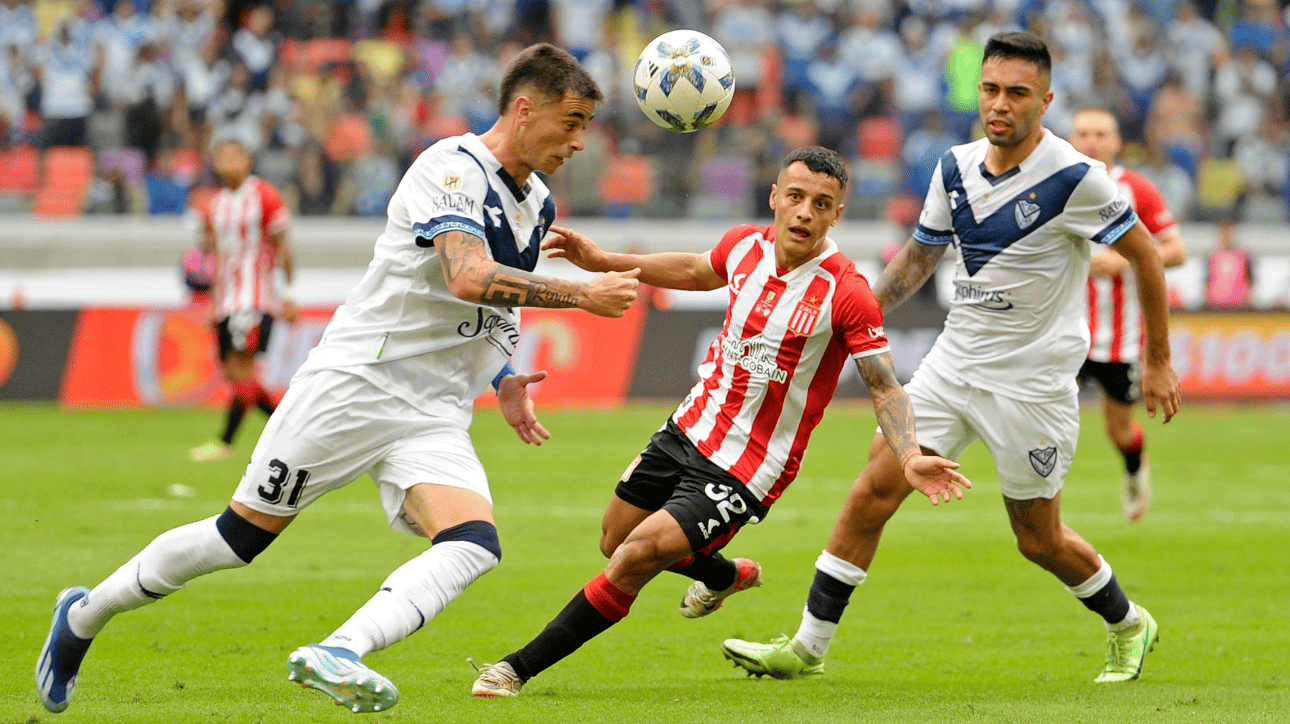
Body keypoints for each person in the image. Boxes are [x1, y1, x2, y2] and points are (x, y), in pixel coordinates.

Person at [36, 43, 640, 715]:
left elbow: (489, 303)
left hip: (433, 409)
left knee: (473, 544)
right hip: (358, 384)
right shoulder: (451, 167)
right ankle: (83, 618)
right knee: (237, 541)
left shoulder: (538, 203)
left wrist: (502, 374)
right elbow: (466, 274)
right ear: (525, 109)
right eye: (573, 120)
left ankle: (339, 650)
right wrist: (580, 294)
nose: (581, 141)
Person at [721, 32, 1181, 685]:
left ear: (1045, 101)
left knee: (1037, 540)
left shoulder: (1078, 178)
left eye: (1017, 93)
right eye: (990, 89)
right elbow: (918, 259)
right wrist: (850, 317)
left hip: (1033, 385)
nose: (1000, 104)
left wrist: (1157, 360)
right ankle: (807, 646)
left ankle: (1128, 621)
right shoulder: (954, 167)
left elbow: (1146, 256)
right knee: (870, 494)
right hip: (952, 366)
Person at [470, 146, 970, 698]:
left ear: (836, 215)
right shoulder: (744, 245)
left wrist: (909, 454)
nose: (805, 212)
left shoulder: (845, 293)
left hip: (748, 466)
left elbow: (884, 385)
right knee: (615, 540)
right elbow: (695, 269)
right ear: (775, 197)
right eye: (796, 197)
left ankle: (513, 669)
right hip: (688, 427)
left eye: (821, 204)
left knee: (637, 556)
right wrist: (604, 261)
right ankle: (722, 575)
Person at [1069, 106, 1188, 521]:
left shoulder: (1137, 188)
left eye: (1101, 133)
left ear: (1117, 141)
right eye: (1083, 133)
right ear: (1070, 139)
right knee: (1041, 412)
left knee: (1117, 430)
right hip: (1065, 332)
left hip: (1121, 337)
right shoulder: (1057, 187)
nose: (1091, 141)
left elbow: (1176, 250)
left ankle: (1136, 469)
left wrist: (1123, 261)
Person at [188, 132, 298, 463]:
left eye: (234, 155)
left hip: (256, 298)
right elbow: (215, 257)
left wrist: (288, 294)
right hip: (226, 302)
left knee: (244, 369)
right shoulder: (214, 205)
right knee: (236, 375)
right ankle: (291, 432)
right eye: (221, 157)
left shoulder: (264, 195)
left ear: (248, 160)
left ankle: (225, 442)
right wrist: (210, 301)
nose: (227, 162)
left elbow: (284, 248)